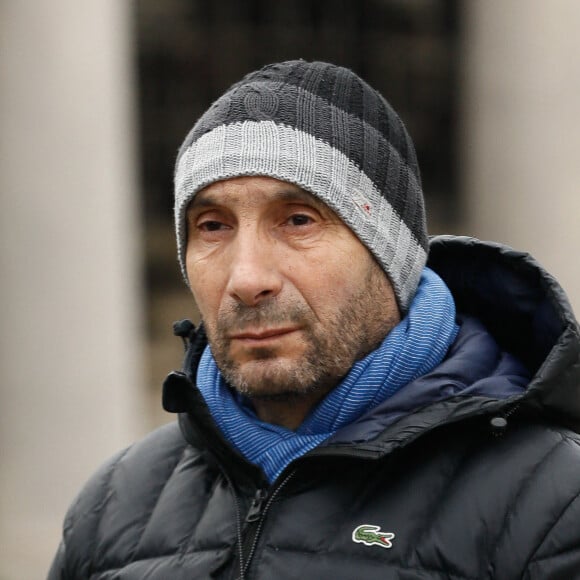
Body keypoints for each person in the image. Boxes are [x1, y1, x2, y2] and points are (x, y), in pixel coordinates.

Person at [49, 60, 580, 579]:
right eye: (212, 226)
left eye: (298, 220)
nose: (246, 277)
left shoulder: (552, 506)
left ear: (391, 256)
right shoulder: (114, 509)